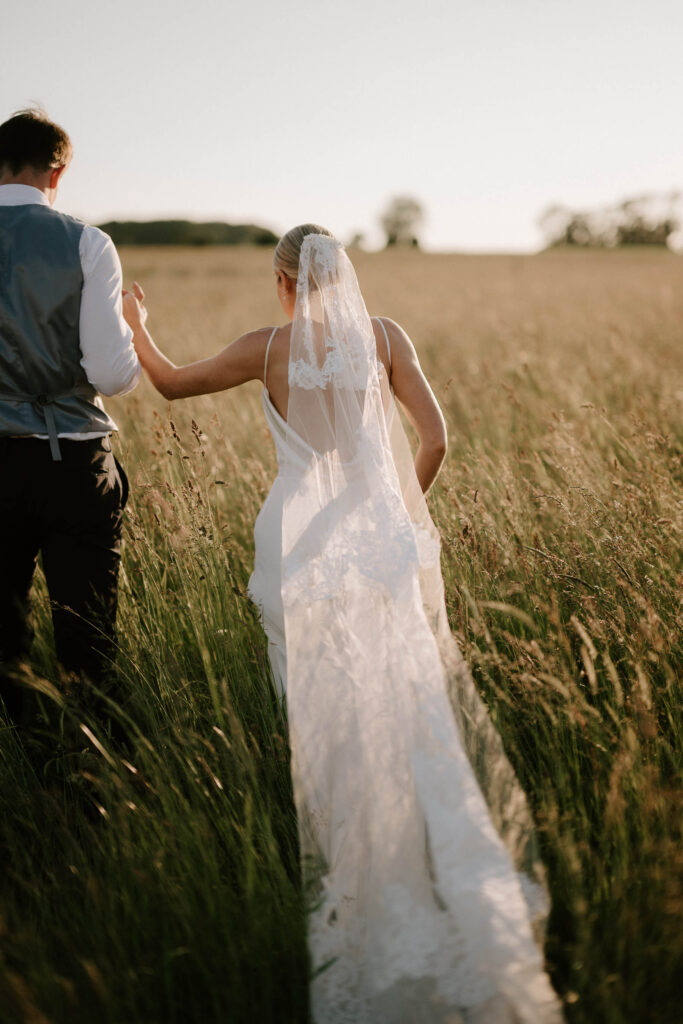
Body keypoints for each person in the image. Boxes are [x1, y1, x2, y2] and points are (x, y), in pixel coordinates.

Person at [122, 225, 563, 1023]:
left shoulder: (267, 347)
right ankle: (419, 868)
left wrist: (136, 324)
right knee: (404, 699)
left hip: (297, 544)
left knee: (320, 704)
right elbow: (435, 438)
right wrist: (396, 513)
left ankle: (352, 862)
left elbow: (170, 385)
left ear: (283, 279)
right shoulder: (387, 337)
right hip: (380, 540)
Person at [0, 109, 140, 728]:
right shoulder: (87, 242)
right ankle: (92, 775)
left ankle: (19, 761)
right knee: (87, 636)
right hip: (72, 461)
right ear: (58, 171)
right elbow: (112, 375)